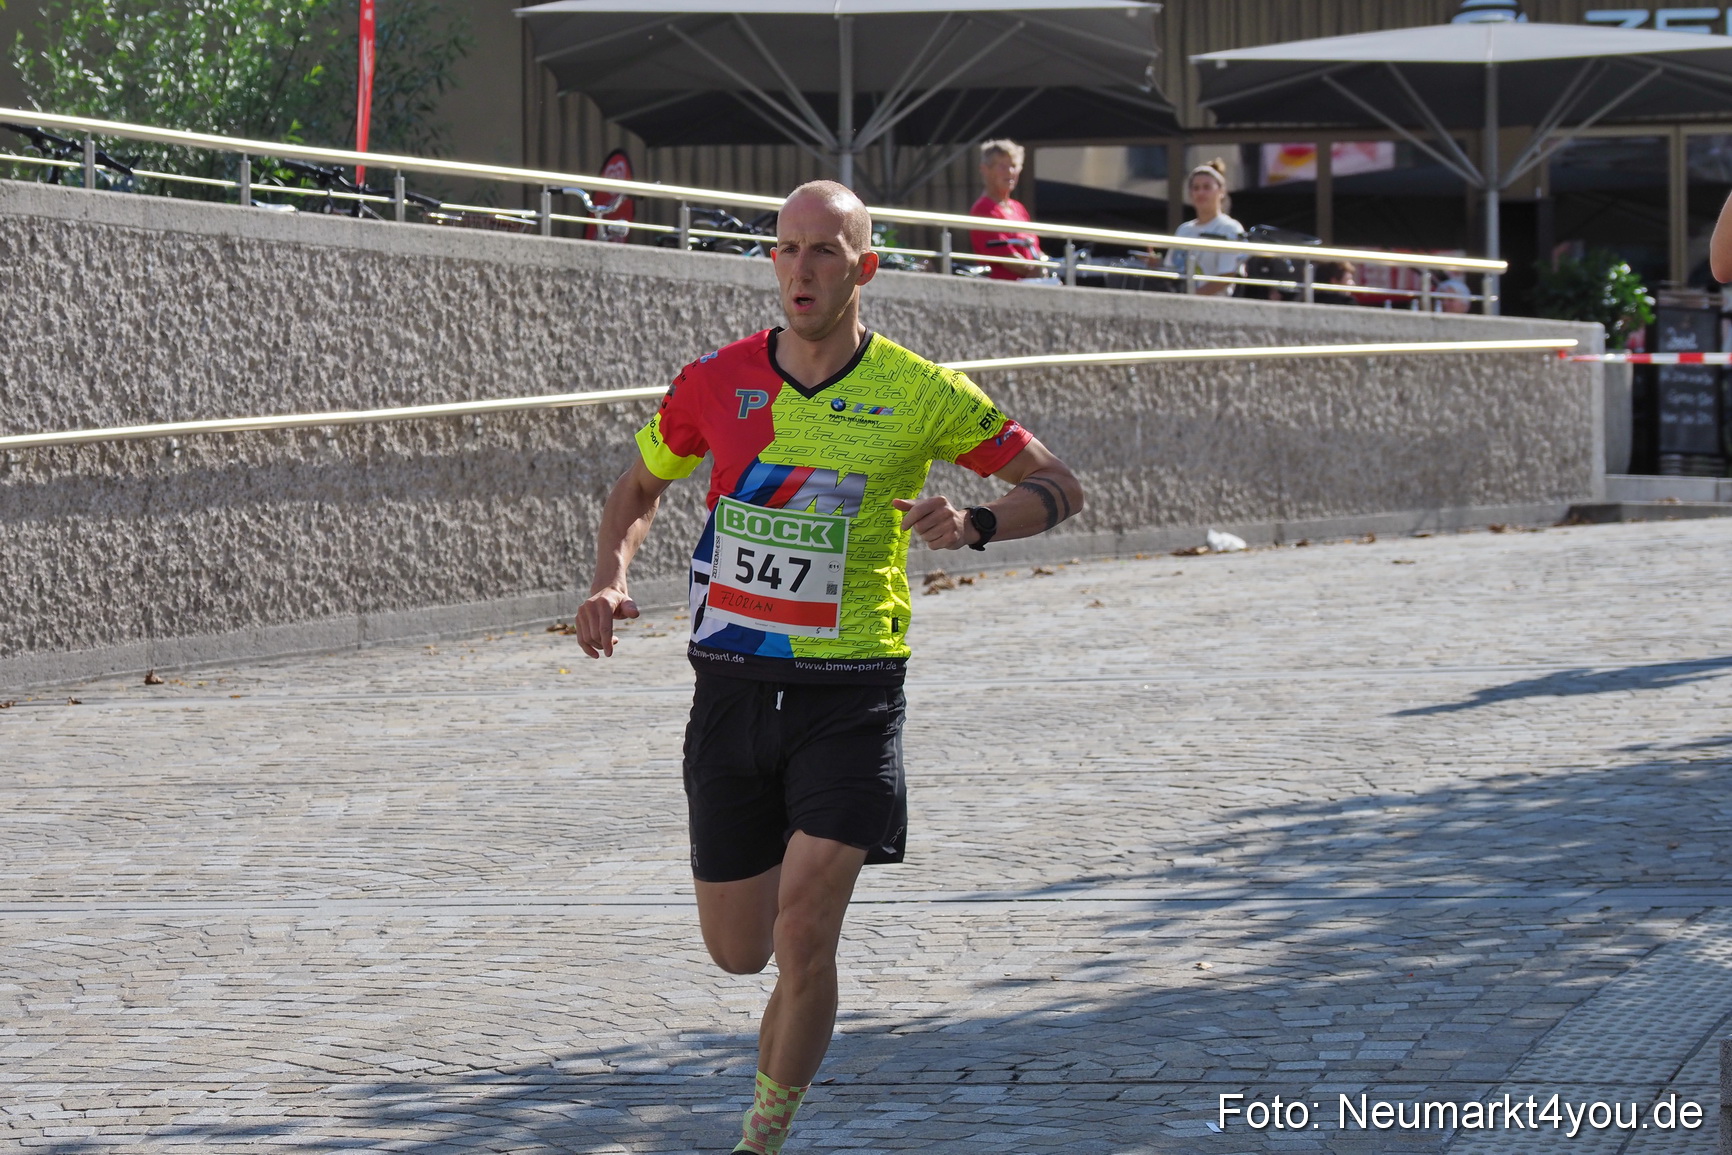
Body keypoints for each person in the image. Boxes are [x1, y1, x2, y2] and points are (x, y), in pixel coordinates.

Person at [574, 179, 1084, 1154]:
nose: (801, 269)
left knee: (806, 933)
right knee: (739, 951)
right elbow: (638, 483)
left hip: (851, 693)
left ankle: (760, 1140)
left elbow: (1056, 485)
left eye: (823, 252)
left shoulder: (919, 392)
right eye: (786, 250)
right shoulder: (716, 383)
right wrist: (609, 578)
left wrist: (975, 521)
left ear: (865, 267)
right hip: (731, 682)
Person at [968, 139, 1055, 282]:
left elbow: (1035, 248)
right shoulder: (983, 209)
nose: (1010, 172)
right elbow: (1006, 258)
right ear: (985, 169)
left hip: (1032, 284)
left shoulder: (1018, 207)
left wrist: (1043, 264)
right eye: (1002, 166)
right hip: (1003, 288)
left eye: (1014, 166)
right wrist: (1037, 268)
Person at [1157, 158, 1246, 296]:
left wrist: (1193, 297)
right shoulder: (1184, 230)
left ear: (1221, 191)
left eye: (1207, 187)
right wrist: (1156, 264)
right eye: (1196, 188)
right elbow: (1172, 269)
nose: (1200, 193)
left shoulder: (1230, 228)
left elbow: (1227, 275)